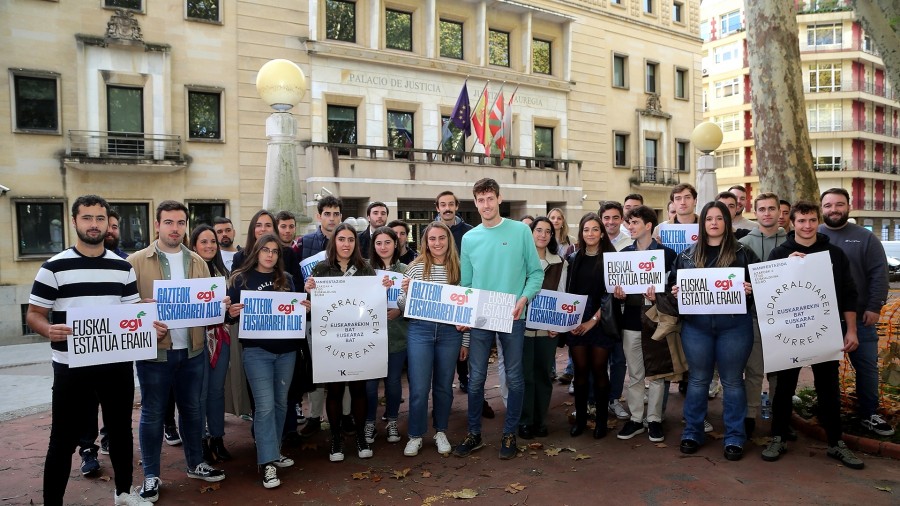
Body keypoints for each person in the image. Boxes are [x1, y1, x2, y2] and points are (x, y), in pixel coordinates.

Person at [27, 194, 162, 506]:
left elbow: (131, 314)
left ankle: (124, 494)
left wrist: (149, 322)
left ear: (107, 223)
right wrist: (47, 329)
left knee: (120, 432)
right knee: (62, 439)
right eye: (87, 218)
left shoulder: (122, 268)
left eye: (100, 218)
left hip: (115, 364)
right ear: (74, 222)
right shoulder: (53, 267)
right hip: (70, 366)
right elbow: (34, 313)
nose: (94, 224)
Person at [129, 201, 226, 502]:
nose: (175, 228)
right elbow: (123, 309)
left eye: (180, 222)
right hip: (154, 353)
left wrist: (218, 306)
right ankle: (150, 476)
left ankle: (195, 462)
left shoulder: (198, 261)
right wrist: (139, 313)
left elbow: (207, 304)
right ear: (157, 225)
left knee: (192, 410)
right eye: (168, 222)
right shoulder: (135, 262)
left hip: (192, 350)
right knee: (153, 414)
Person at [761, 201, 864, 469]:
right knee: (784, 388)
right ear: (792, 223)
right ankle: (778, 436)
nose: (807, 226)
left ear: (817, 221)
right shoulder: (778, 254)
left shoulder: (835, 254)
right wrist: (785, 267)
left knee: (828, 388)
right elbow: (767, 295)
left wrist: (851, 329)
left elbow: (849, 294)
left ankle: (835, 443)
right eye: (801, 221)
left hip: (824, 332)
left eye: (811, 221)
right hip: (789, 333)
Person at [454, 178, 544, 460]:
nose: (486, 204)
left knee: (515, 377)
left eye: (490, 198)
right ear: (475, 203)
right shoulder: (469, 238)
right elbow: (466, 283)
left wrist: (524, 299)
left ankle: (509, 433)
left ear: (499, 199)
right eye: (480, 200)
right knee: (477, 377)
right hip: (481, 315)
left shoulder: (519, 231)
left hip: (512, 315)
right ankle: (474, 433)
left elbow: (535, 273)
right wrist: (462, 312)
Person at [670, 201, 758, 461]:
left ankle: (734, 436)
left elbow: (760, 287)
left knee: (732, 382)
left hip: (734, 327)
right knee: (697, 380)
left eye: (719, 218)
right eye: (709, 218)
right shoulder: (686, 256)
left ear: (727, 222)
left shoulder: (744, 253)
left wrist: (750, 291)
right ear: (703, 222)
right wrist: (675, 292)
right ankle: (693, 431)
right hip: (697, 328)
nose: (714, 223)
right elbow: (673, 286)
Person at [226, 233, 309, 488]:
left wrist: (305, 308)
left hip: (287, 352)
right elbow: (230, 318)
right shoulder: (240, 279)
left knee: (281, 404)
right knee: (264, 407)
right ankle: (268, 463)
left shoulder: (288, 279)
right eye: (266, 250)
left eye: (275, 251)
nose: (270, 255)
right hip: (257, 352)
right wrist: (230, 313)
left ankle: (274, 451)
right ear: (257, 252)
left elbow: (297, 315)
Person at [304, 223, 384, 462]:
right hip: (332, 338)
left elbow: (374, 302)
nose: (346, 244)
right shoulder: (321, 269)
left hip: (359, 337)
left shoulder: (365, 269)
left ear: (355, 243)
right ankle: (336, 438)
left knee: (359, 389)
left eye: (350, 239)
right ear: (334, 242)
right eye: (341, 239)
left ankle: (360, 436)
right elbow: (313, 306)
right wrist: (309, 291)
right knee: (336, 390)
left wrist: (384, 289)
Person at [818, 188, 894, 436]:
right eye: (828, 205)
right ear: (822, 209)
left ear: (848, 207)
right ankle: (826, 409)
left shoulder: (865, 238)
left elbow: (879, 275)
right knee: (823, 368)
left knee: (866, 367)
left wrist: (875, 306)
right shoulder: (813, 234)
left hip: (860, 317)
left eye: (839, 204)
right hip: (821, 318)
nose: (834, 210)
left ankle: (869, 413)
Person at [398, 222, 467, 456]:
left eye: (441, 238)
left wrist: (465, 340)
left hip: (450, 333)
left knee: (444, 386)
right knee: (418, 387)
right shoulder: (415, 268)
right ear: (425, 243)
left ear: (449, 240)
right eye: (432, 239)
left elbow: (466, 307)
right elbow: (402, 306)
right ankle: (415, 435)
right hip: (420, 331)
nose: (437, 243)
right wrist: (406, 294)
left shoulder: (460, 269)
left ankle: (440, 431)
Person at [613, 205, 676, 442]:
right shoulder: (624, 255)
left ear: (648, 225)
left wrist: (657, 296)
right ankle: (636, 419)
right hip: (631, 319)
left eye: (635, 222)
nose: (630, 227)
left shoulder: (667, 255)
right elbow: (616, 289)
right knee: (636, 373)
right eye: (629, 223)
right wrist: (618, 293)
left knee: (658, 372)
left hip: (657, 320)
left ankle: (655, 420)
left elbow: (674, 290)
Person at [294, 196, 353, 438]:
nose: (332, 218)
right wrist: (303, 295)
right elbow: (296, 279)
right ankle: (314, 416)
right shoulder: (304, 243)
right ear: (319, 216)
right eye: (327, 213)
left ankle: (347, 415)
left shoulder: (351, 242)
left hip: (345, 319)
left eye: (336, 213)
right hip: (314, 319)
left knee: (347, 366)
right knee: (317, 370)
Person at [563, 213, 617, 439]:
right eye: (586, 230)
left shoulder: (611, 258)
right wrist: (573, 321)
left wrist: (591, 322)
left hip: (601, 320)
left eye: (595, 229)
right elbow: (567, 293)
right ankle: (582, 420)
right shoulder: (574, 258)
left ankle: (602, 421)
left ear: (602, 233)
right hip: (576, 321)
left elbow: (610, 296)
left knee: (599, 372)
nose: (591, 234)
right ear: (581, 233)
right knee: (581, 373)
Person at [738, 192, 787, 437]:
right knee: (754, 369)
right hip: (755, 316)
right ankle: (749, 416)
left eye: (771, 208)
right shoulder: (744, 244)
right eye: (762, 209)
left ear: (780, 212)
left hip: (785, 318)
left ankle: (781, 418)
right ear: (754, 213)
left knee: (781, 370)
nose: (767, 213)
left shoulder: (792, 241)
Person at [519, 217, 567, 439]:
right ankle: (525, 420)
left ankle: (540, 420)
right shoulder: (518, 260)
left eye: (548, 231)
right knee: (525, 375)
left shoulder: (560, 262)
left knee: (544, 375)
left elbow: (561, 294)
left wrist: (556, 324)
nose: (543, 235)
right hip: (523, 327)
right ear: (530, 233)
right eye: (538, 230)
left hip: (548, 330)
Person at [189, 225, 233, 464]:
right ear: (194, 245)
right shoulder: (188, 272)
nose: (209, 246)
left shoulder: (223, 272)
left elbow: (230, 309)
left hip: (221, 337)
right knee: (199, 393)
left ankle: (217, 437)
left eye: (212, 242)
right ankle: (200, 441)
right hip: (196, 338)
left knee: (217, 391)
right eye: (203, 242)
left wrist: (230, 309)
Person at [363, 227, 409, 446]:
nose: (383, 247)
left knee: (393, 383)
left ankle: (392, 420)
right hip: (370, 338)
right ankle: (369, 423)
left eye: (387, 242)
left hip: (397, 335)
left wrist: (400, 309)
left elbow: (412, 302)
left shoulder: (405, 270)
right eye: (378, 243)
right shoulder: (364, 270)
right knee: (370, 385)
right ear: (373, 245)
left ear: (395, 244)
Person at [598, 201, 630, 420]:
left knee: (619, 359)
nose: (610, 222)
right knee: (596, 359)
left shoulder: (630, 244)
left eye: (615, 217)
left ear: (621, 219)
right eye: (606, 218)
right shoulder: (592, 240)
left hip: (621, 310)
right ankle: (594, 400)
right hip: (595, 310)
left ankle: (614, 399)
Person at [233, 210, 302, 284]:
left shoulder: (288, 253)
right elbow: (234, 286)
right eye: (258, 225)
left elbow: (298, 285)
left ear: (274, 229)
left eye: (268, 225)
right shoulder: (240, 257)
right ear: (252, 228)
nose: (263, 229)